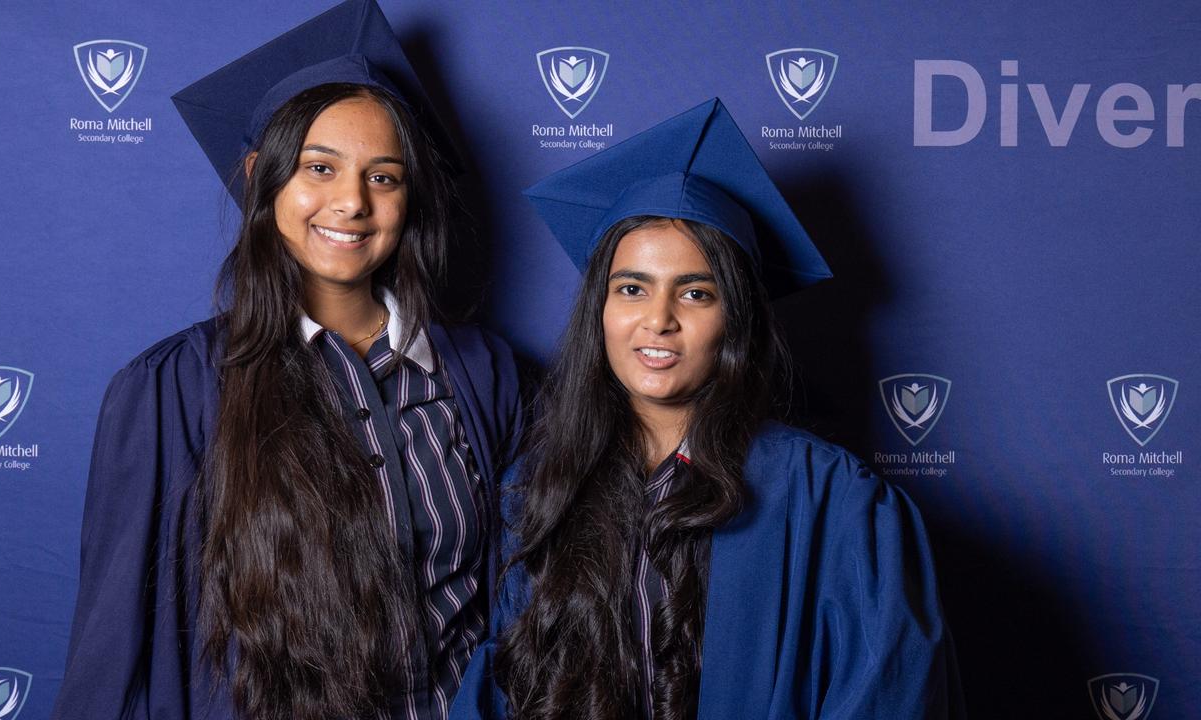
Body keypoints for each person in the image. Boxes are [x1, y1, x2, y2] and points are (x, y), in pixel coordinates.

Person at [51, 3, 521, 720]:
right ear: (260, 179)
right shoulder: (176, 390)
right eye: (319, 167)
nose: (351, 203)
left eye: (384, 176)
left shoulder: (483, 375)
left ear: (411, 195)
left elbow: (518, 605)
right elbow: (111, 650)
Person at [451, 98, 962, 720]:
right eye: (631, 288)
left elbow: (891, 694)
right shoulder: (539, 491)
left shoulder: (829, 499)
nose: (658, 320)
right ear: (600, 312)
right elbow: (500, 686)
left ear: (736, 320)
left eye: (695, 292)